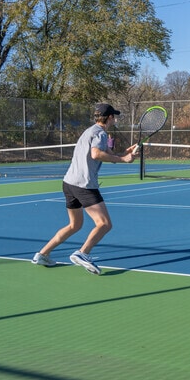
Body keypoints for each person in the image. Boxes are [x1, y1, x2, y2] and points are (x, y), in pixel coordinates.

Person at [32, 103, 137, 274]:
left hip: (69, 183)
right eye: (114, 116)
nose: (115, 118)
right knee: (104, 224)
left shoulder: (90, 131)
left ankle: (42, 254)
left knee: (74, 225)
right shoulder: (101, 133)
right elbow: (96, 154)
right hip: (84, 185)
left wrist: (124, 154)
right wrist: (124, 160)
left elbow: (107, 153)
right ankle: (82, 253)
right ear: (109, 117)